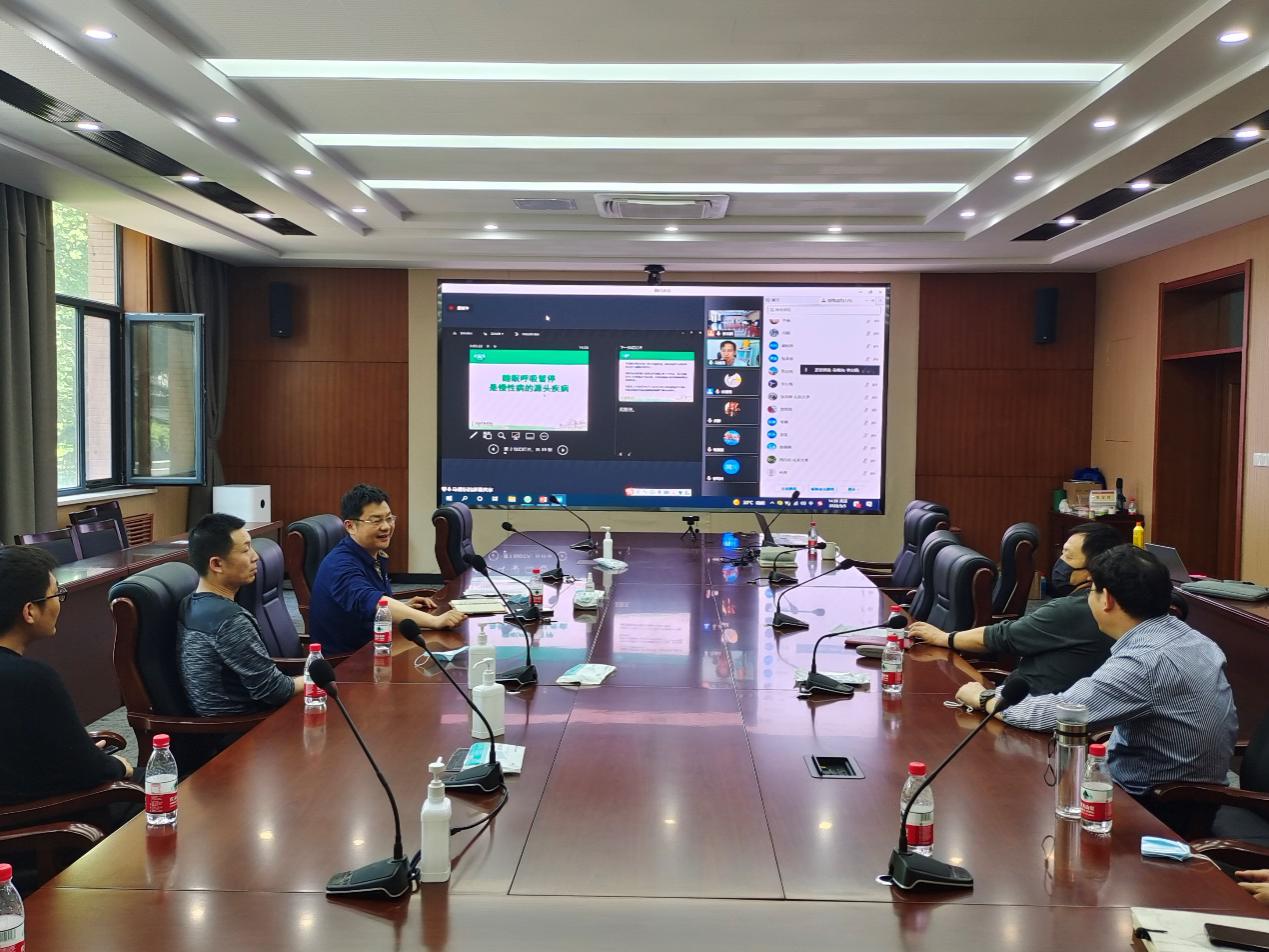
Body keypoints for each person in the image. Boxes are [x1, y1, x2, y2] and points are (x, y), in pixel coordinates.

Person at [956, 545, 1237, 831]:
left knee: (1011, 808)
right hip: (1187, 794)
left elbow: (1057, 715)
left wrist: (985, 697)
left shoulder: (1144, 661)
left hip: (1158, 807)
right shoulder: (1193, 639)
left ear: (1107, 600)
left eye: (1091, 590)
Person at [909, 523, 1123, 696]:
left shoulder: (1075, 609)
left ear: (1093, 570)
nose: (1060, 563)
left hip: (1028, 710)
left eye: (1068, 557)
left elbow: (1003, 636)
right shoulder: (1112, 604)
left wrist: (944, 638)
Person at [0, 546, 133, 807]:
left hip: (24, 793)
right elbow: (91, 771)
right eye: (56, 594)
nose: (59, 602)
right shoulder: (32, 679)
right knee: (167, 788)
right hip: (41, 815)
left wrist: (80, 754)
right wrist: (118, 766)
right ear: (29, 611)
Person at [309, 484, 465, 653]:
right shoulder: (340, 565)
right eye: (376, 521)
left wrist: (403, 607)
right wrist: (435, 621)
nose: (386, 527)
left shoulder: (371, 553)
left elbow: (368, 606)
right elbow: (372, 601)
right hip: (349, 661)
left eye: (389, 518)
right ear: (350, 526)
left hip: (377, 644)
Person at [179, 513, 302, 716]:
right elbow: (274, 691)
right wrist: (314, 679)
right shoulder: (229, 621)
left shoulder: (191, 602)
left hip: (228, 719)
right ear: (217, 564)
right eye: (245, 550)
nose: (255, 557)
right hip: (244, 726)